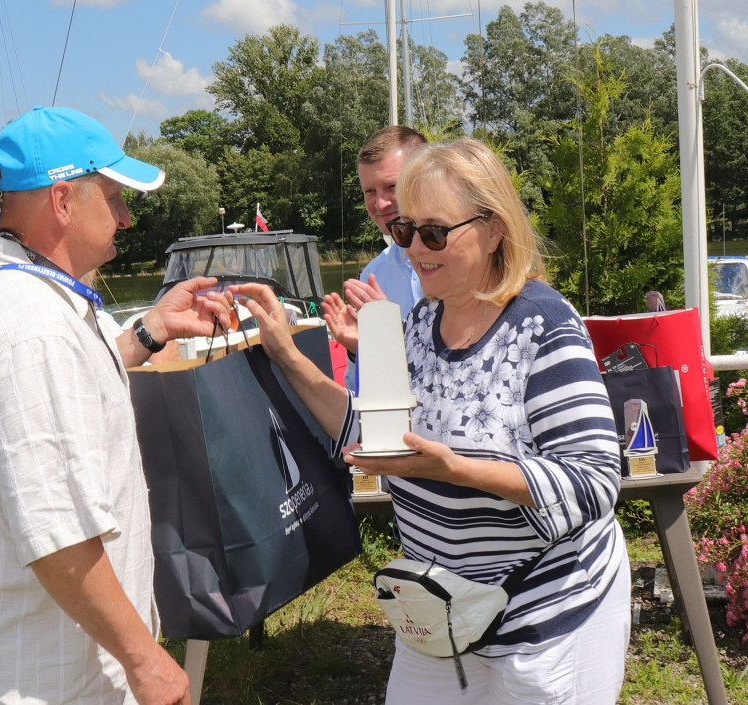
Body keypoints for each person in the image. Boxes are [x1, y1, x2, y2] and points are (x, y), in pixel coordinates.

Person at [232, 138, 629, 704]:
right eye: (405, 231)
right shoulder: (422, 322)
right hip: (442, 612)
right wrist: (287, 354)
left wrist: (456, 469)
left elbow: (594, 482)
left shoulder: (542, 325)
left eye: (435, 232)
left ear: (493, 229)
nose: (417, 248)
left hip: (544, 619)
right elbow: (375, 434)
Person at [0, 106, 233, 705]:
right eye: (114, 197)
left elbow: (75, 380)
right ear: (61, 201)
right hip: (25, 674)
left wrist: (151, 331)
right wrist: (145, 660)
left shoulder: (10, 295)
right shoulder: (32, 327)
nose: (127, 219)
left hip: (11, 654)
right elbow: (58, 531)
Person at [322, 126, 427, 388]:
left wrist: (393, 335)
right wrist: (359, 350)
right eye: (370, 191)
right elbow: (359, 390)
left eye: (391, 186)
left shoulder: (463, 264)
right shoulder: (374, 274)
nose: (379, 204)